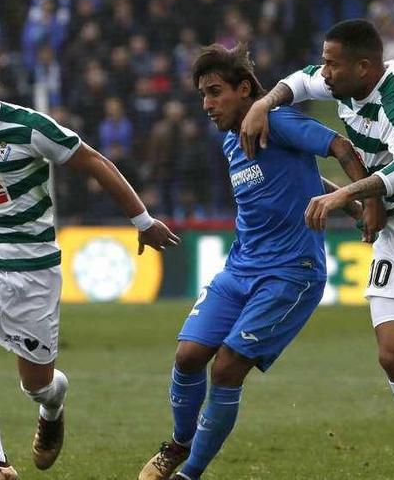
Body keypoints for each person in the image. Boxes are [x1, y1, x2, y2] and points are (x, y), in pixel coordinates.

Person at [241, 19, 394, 480]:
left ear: (364, 66)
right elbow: (298, 81)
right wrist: (264, 102)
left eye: (333, 64)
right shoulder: (343, 79)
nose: (325, 72)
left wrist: (345, 194)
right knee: (393, 356)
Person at [0, 40, 179, 480]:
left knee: (37, 384)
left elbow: (96, 163)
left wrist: (142, 220)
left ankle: (53, 406)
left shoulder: (31, 128)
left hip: (32, 269)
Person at [138, 43, 374, 480]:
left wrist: (364, 203)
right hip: (240, 268)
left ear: (244, 89)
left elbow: (339, 146)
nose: (207, 105)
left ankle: (190, 473)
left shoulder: (279, 119)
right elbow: (301, 175)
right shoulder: (232, 138)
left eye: (215, 92)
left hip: (291, 274)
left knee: (227, 368)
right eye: (202, 96)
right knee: (189, 355)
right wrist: (349, 206)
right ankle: (178, 444)